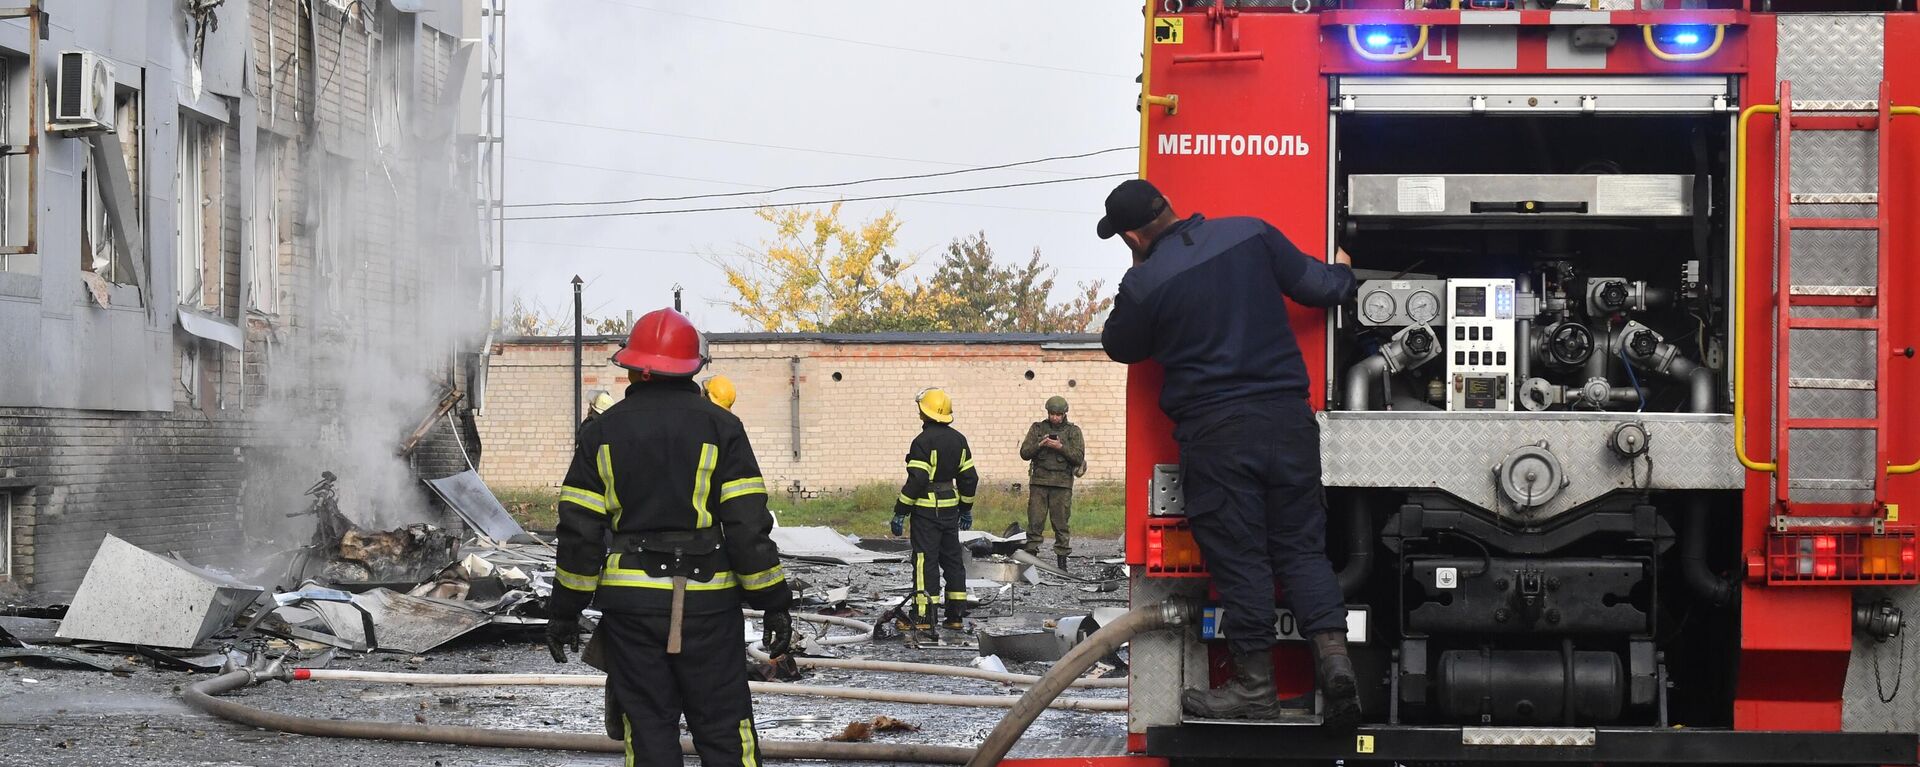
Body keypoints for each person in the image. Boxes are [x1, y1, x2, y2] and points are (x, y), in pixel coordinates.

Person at [1096, 179, 1360, 727]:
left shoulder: (1145, 281)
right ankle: (1337, 669)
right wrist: (1343, 268)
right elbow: (1320, 286)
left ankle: (1254, 690)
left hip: (1217, 434)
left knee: (1243, 561)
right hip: (1288, 423)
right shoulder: (1251, 234)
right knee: (1302, 550)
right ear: (1168, 206)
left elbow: (1120, 345)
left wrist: (1139, 288)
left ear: (1131, 236)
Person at [546, 308, 794, 766]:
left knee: (647, 727)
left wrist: (564, 610)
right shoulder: (722, 428)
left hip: (632, 612)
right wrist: (773, 600)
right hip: (709, 606)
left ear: (635, 367)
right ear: (693, 367)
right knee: (725, 727)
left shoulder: (601, 432)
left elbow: (579, 532)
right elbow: (746, 526)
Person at [888, 387, 979, 637]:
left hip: (926, 513)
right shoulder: (959, 440)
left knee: (924, 562)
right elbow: (969, 478)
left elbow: (917, 480)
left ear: (923, 412)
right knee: (952, 560)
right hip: (950, 510)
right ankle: (955, 616)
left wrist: (900, 511)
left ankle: (924, 617)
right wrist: (966, 509)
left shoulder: (922, 442)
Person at [1018, 396, 1084, 571]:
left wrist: (1060, 446)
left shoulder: (1073, 431)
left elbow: (1078, 457)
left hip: (1062, 484)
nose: (1055, 417)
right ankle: (1031, 561)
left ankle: (1062, 562)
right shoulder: (1037, 428)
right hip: (1039, 482)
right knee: (1035, 522)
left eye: (1058, 414)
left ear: (1064, 414)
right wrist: (1040, 444)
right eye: (1052, 414)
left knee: (1061, 523)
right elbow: (1024, 453)